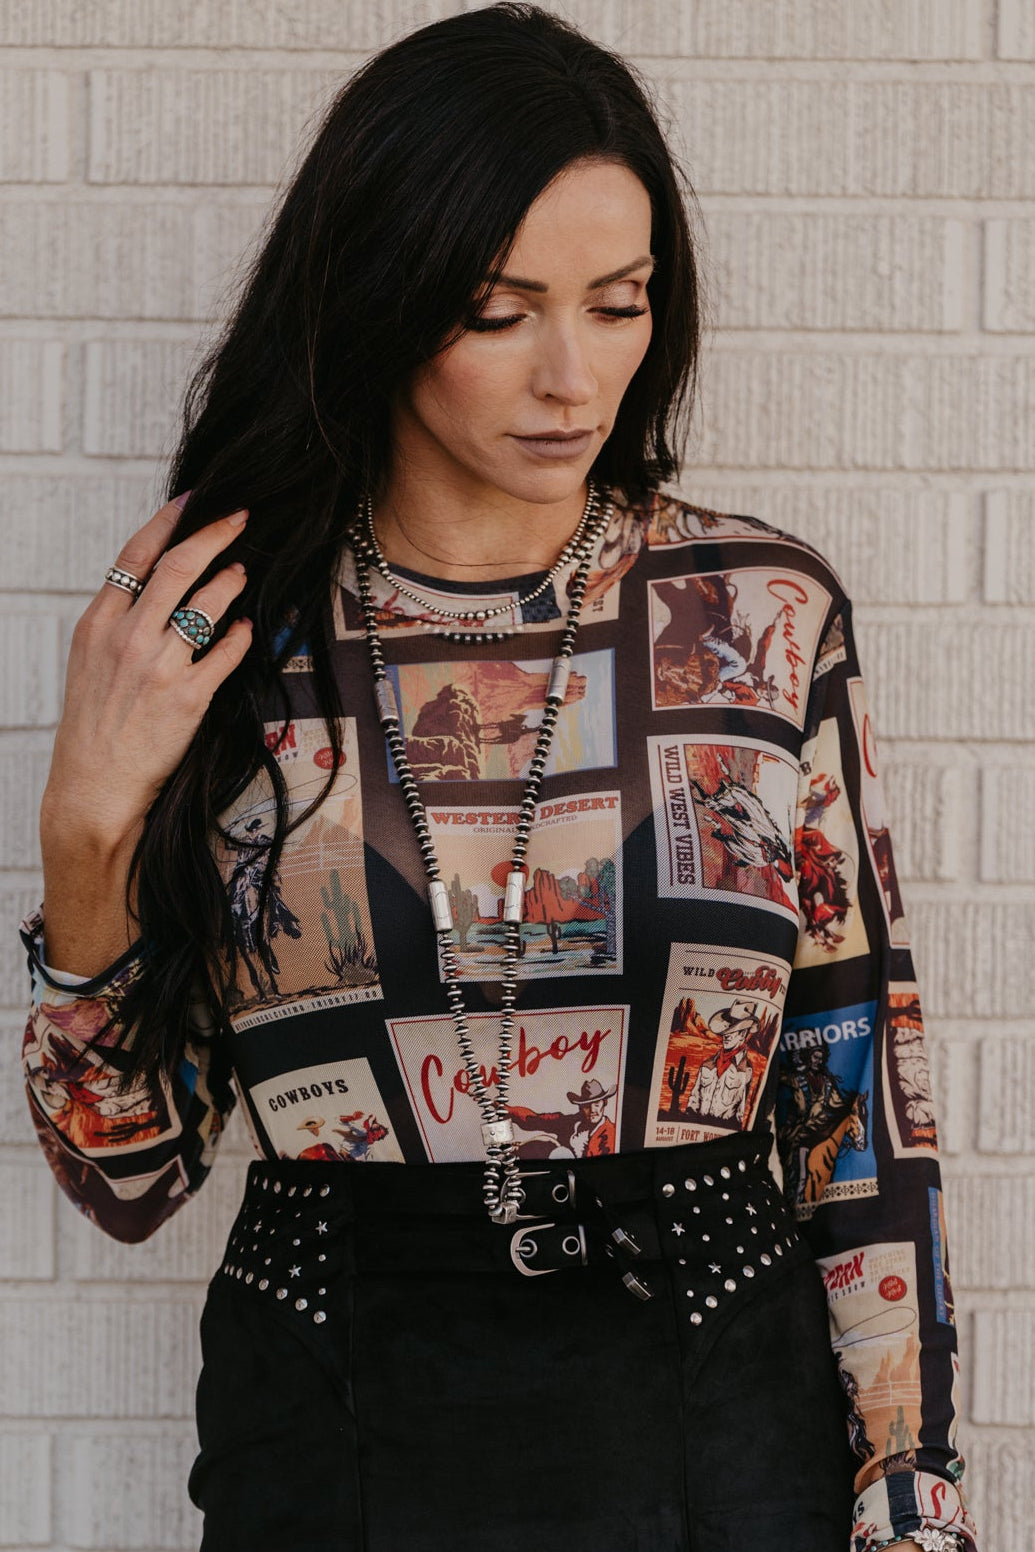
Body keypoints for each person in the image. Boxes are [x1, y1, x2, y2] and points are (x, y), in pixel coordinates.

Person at [18, 7, 979, 1552]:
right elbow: (129, 1175)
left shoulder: (755, 616)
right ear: (381, 298)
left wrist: (911, 1495)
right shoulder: (225, 641)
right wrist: (84, 828)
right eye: (496, 308)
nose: (572, 377)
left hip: (723, 1418)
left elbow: (858, 1095)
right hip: (332, 1426)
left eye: (618, 305)